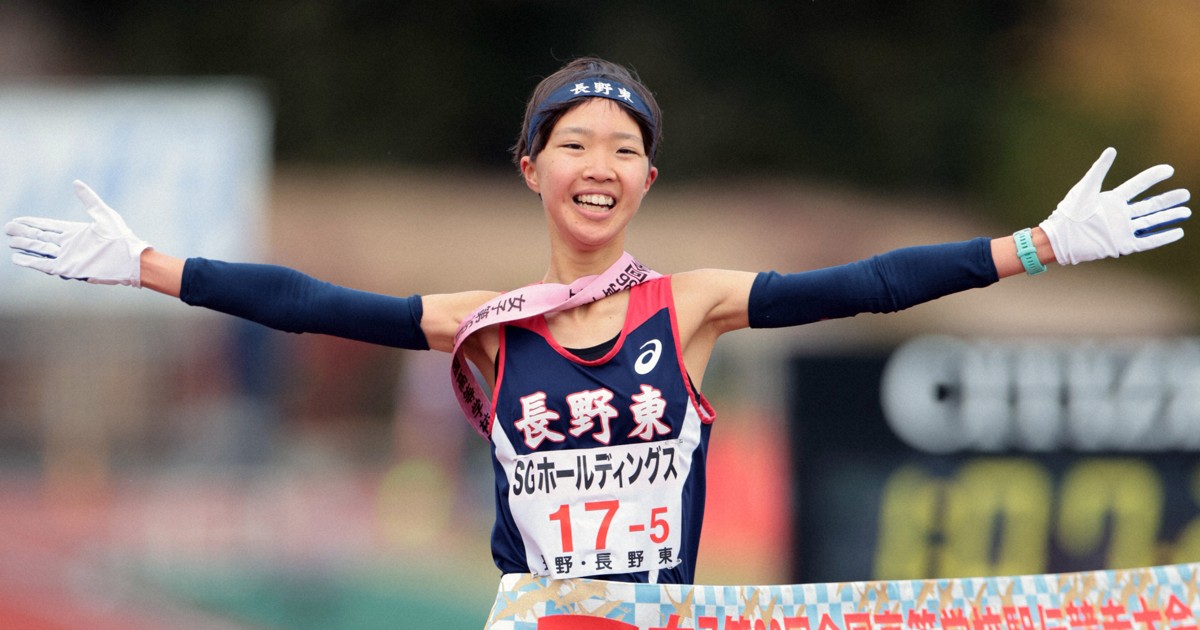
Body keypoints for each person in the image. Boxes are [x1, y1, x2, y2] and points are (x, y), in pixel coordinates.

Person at [5, 55, 1192, 594]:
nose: (600, 163)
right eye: (574, 142)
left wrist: (1036, 246)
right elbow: (315, 307)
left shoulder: (694, 307)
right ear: (532, 169)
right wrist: (153, 268)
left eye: (624, 150)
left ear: (646, 184)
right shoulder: (486, 324)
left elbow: (865, 285)